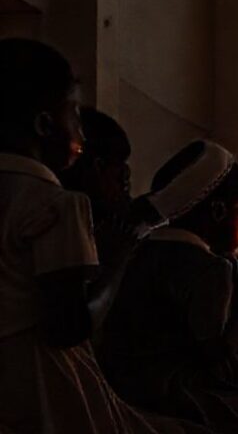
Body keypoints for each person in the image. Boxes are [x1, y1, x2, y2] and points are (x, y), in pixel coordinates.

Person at [0, 38, 166, 433]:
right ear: (44, 125)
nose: (82, 134)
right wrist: (117, 258)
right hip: (40, 383)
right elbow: (70, 325)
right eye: (73, 117)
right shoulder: (58, 204)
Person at [100, 140, 238, 433]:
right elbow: (215, 354)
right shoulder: (211, 267)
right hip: (178, 390)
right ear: (218, 211)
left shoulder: (137, 250)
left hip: (124, 382)